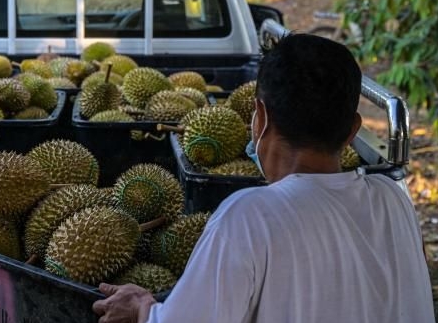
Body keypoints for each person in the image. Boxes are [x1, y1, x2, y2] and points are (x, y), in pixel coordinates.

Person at [93, 34, 435, 323]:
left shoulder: (250, 216)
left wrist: (144, 308)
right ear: (352, 131)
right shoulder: (394, 200)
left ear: (260, 119)